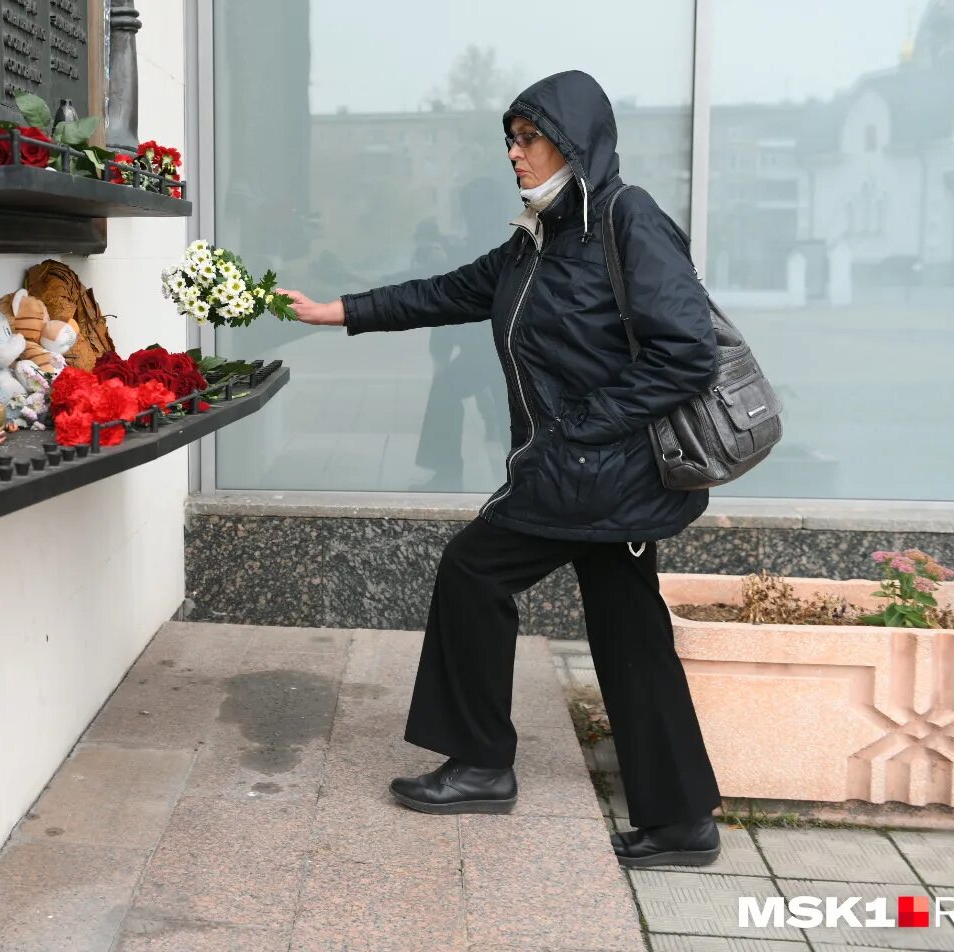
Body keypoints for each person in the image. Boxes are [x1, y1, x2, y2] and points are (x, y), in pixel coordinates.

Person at [275, 69, 725, 869]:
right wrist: (334, 310)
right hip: (579, 474)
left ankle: (483, 763)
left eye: (529, 139)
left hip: (599, 474)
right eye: (510, 141)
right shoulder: (540, 238)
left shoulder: (628, 220)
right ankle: (681, 820)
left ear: (573, 142)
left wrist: (583, 428)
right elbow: (446, 292)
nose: (514, 155)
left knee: (473, 573)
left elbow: (686, 352)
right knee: (628, 631)